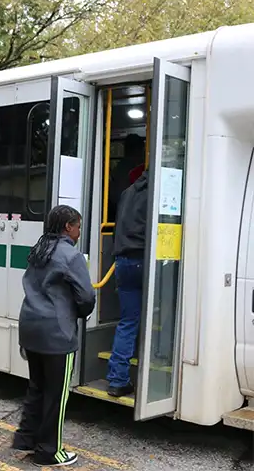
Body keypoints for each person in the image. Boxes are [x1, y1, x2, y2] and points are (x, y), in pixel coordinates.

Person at [12, 205, 96, 467]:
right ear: (67, 227)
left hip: (30, 327)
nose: (80, 232)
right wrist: (78, 314)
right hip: (56, 334)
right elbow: (86, 296)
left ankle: (27, 439)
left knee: (37, 387)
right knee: (56, 395)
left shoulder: (39, 248)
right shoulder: (71, 255)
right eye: (78, 226)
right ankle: (50, 452)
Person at [107, 170, 148, 397]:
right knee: (162, 315)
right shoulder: (160, 191)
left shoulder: (127, 192)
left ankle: (117, 380)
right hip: (146, 259)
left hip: (123, 260)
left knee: (128, 321)